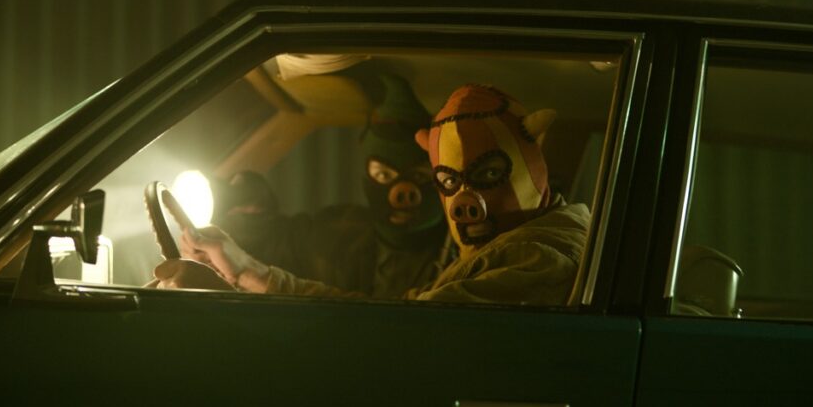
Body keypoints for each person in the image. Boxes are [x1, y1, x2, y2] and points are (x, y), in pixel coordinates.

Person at [154, 84, 591, 306]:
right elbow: (396, 317)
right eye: (449, 181)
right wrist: (246, 270)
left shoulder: (538, 258)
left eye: (490, 174)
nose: (465, 200)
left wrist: (229, 296)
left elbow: (395, 335)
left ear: (533, 166)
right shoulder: (504, 250)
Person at [208, 74, 451, 298]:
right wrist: (249, 208)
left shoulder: (461, 260)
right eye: (383, 174)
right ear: (367, 178)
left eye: (420, 176)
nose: (402, 192)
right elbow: (274, 240)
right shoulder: (339, 235)